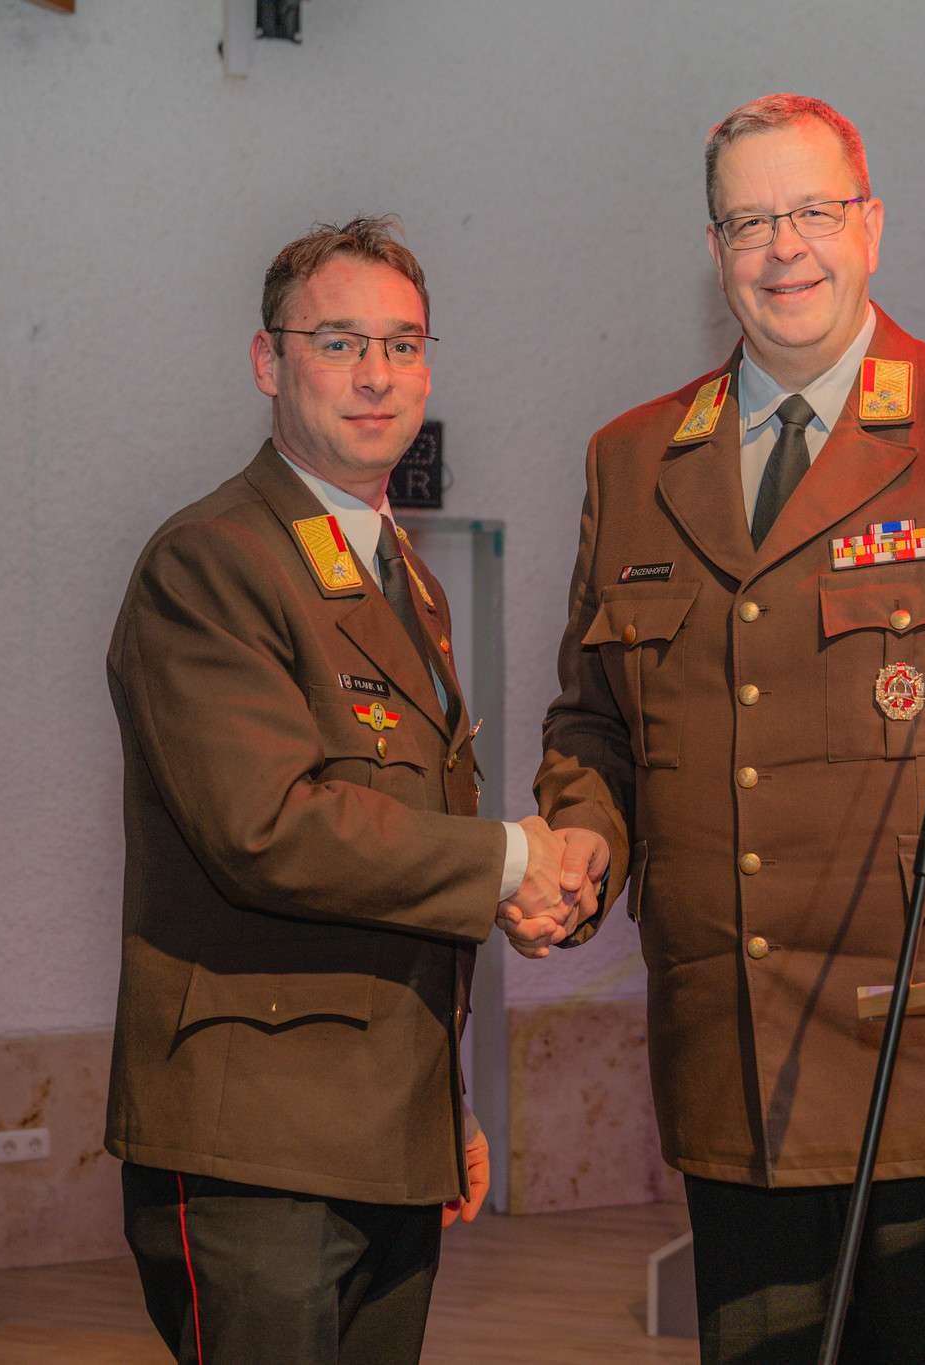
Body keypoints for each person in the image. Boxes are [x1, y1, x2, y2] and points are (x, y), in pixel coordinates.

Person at [511, 93, 925, 1362]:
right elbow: (592, 723)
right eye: (749, 221)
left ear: (870, 226)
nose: (784, 248)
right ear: (714, 251)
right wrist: (580, 836)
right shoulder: (632, 459)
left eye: (812, 211)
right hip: (737, 1065)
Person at [104, 217, 581, 1364]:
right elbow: (267, 829)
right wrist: (514, 861)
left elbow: (399, 857)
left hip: (381, 1130)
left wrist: (440, 1108)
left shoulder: (400, 577)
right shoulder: (212, 560)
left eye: (402, 344)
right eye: (338, 342)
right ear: (267, 363)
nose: (376, 374)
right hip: (257, 1150)